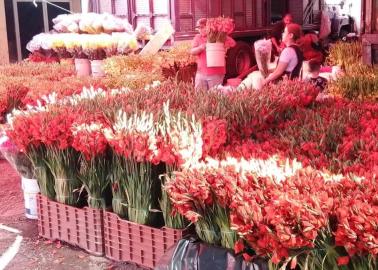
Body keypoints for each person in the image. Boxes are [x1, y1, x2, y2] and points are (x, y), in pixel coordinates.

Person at [191, 18, 236, 90]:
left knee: (214, 96)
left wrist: (223, 40)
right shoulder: (198, 37)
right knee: (200, 97)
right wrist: (201, 47)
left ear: (208, 27)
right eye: (198, 28)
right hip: (201, 73)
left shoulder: (218, 36)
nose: (200, 30)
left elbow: (233, 43)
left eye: (202, 28)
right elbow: (192, 52)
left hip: (216, 73)